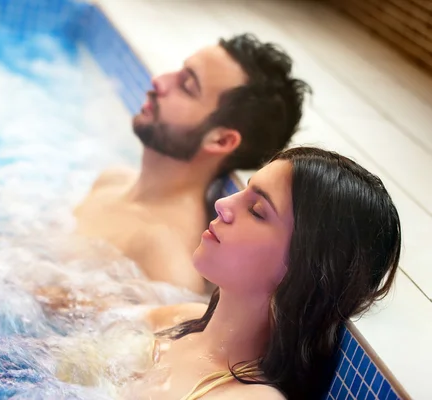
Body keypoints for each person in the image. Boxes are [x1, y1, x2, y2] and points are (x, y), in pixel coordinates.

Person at [131, 147, 402, 399]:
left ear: (302, 267)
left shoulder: (252, 398)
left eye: (256, 211)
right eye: (243, 192)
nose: (223, 204)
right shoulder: (179, 319)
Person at [75, 34, 311, 293]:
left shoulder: (167, 259)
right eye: (177, 72)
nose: (159, 82)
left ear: (220, 140)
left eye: (186, 86)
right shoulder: (112, 179)